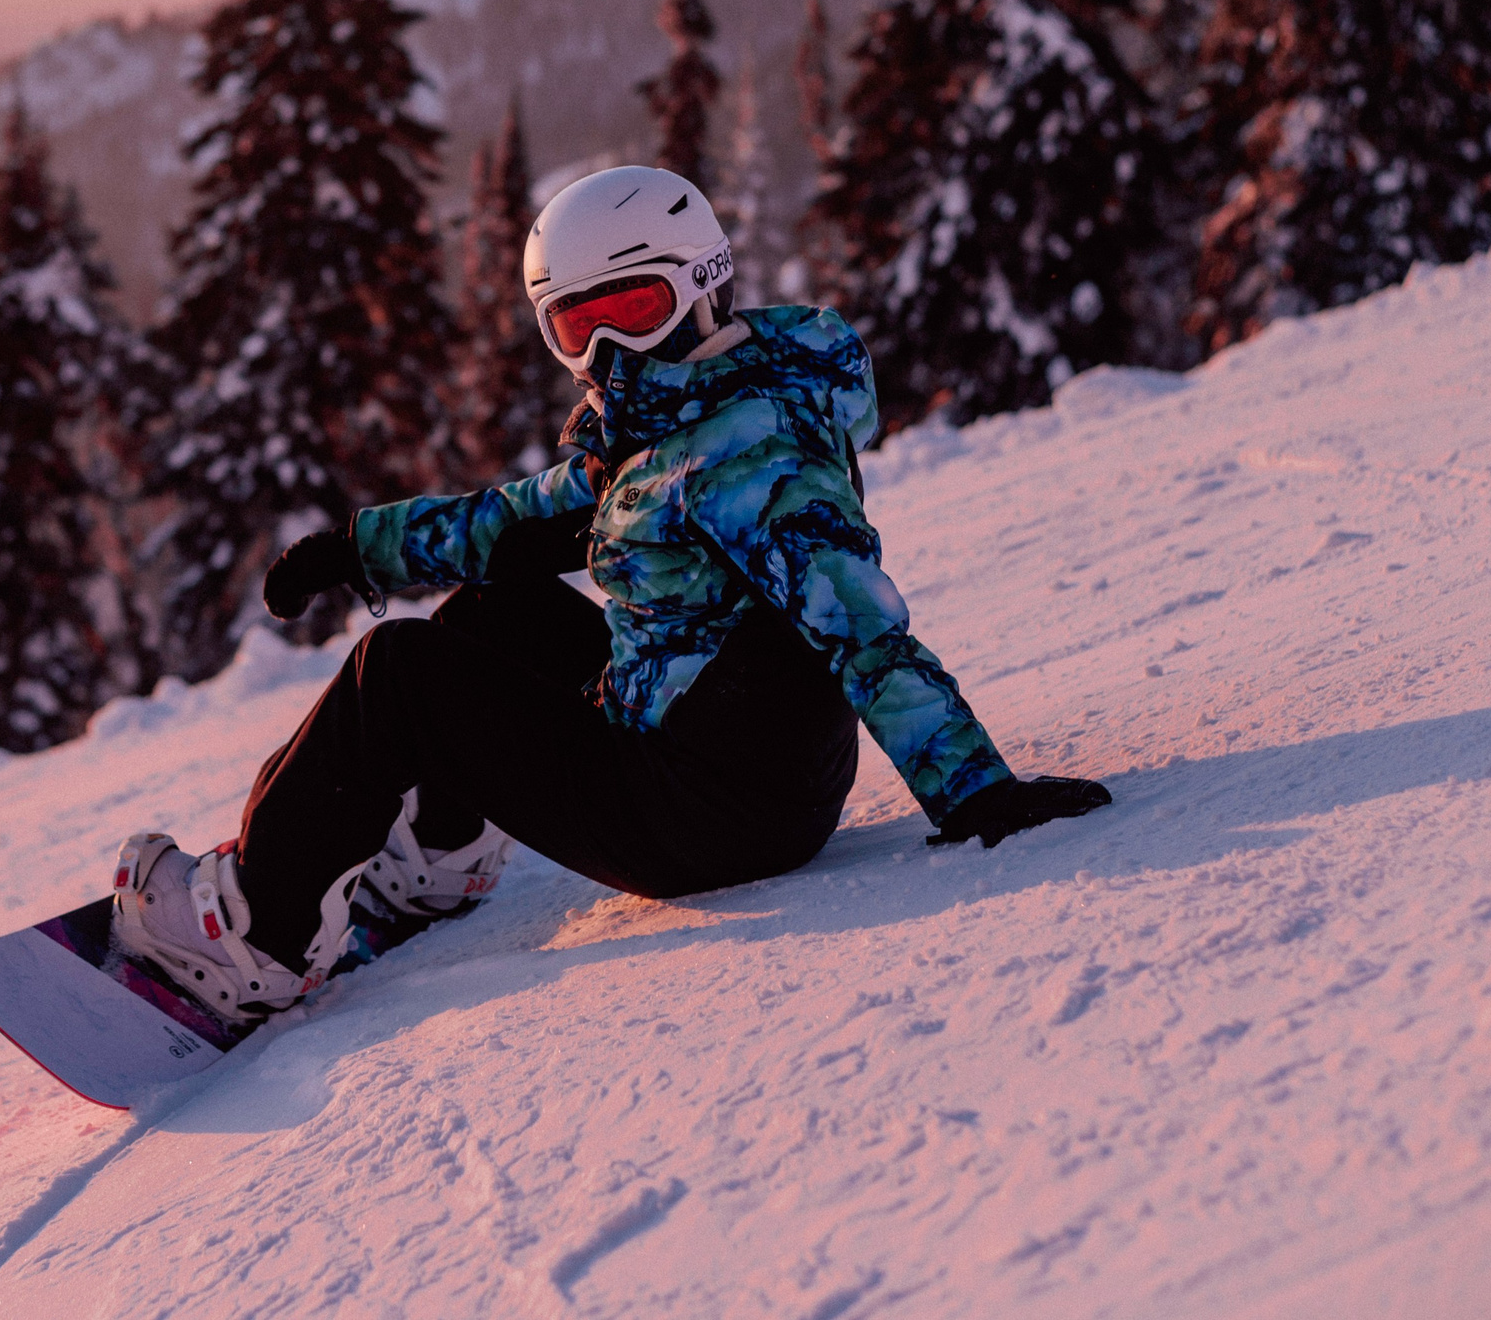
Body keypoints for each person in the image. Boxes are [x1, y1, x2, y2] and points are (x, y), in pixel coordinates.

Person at [111, 166, 1111, 1022]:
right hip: (725, 759)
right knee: (489, 611)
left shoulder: (748, 457)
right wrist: (360, 549)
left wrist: (979, 791)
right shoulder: (690, 407)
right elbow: (524, 517)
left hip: (710, 816)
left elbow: (864, 632)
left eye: (630, 310)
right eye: (574, 325)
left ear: (700, 284)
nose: (605, 352)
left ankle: (256, 936)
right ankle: (442, 859)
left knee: (398, 670)